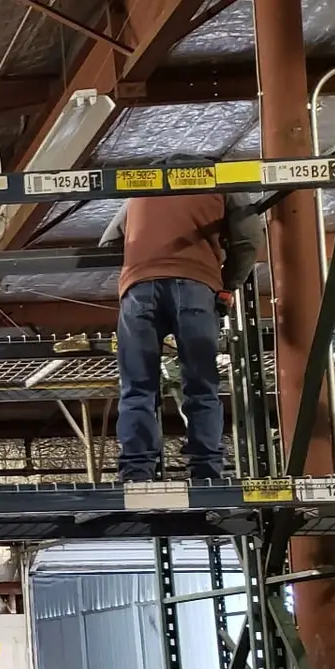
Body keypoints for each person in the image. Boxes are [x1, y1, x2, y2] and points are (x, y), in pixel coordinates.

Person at [103, 173, 259, 483]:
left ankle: (137, 471)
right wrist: (228, 286)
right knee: (201, 386)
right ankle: (206, 471)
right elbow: (249, 241)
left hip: (139, 290)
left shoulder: (142, 186)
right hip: (196, 288)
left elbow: (109, 241)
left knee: (137, 387)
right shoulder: (221, 182)